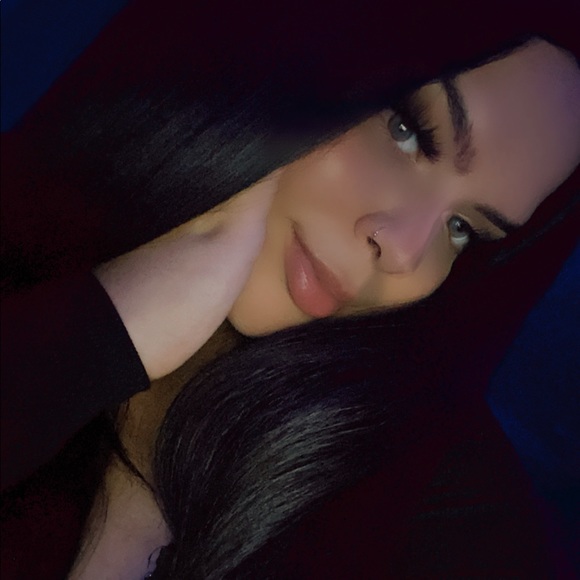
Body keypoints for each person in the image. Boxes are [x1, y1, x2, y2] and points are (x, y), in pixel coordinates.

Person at [1, 0, 579, 578]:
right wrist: (105, 332)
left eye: (461, 229)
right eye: (407, 131)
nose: (405, 253)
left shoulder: (435, 479)